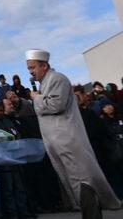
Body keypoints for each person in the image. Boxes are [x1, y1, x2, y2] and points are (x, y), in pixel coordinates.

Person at [27, 49, 121, 214]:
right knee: (76, 180)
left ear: (44, 66)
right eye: (29, 69)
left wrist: (36, 98)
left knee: (81, 180)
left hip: (67, 140)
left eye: (32, 67)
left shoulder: (57, 79)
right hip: (59, 142)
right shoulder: (45, 83)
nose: (31, 72)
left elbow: (56, 105)